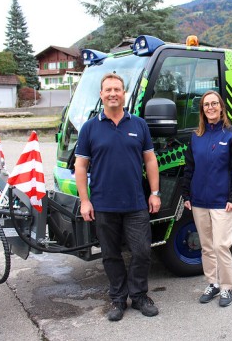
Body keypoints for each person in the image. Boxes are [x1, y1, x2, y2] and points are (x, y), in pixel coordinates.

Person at [74, 73, 161, 321]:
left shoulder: (139, 125)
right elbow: (81, 167)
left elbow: (150, 160)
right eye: (108, 89)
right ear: (101, 95)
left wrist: (154, 193)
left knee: (142, 251)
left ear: (124, 94)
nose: (113, 93)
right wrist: (85, 200)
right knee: (110, 254)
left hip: (135, 203)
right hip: (103, 204)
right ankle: (118, 298)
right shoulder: (90, 128)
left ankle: (140, 296)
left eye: (117, 89)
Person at [182, 90, 232, 307]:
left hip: (222, 202)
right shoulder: (196, 136)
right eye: (206, 105)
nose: (210, 107)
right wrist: (186, 194)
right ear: (202, 110)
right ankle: (213, 283)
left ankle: (227, 287)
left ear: (221, 107)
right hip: (199, 200)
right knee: (207, 246)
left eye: (214, 104)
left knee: (221, 245)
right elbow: (189, 168)